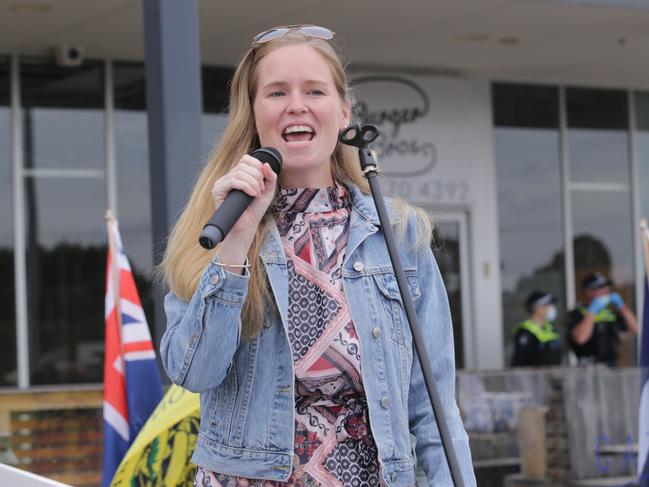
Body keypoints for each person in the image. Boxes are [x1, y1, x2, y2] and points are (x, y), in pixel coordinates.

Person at [159, 25, 476, 486]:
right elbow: (193, 372)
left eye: (314, 90)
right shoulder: (216, 225)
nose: (296, 105)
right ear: (253, 113)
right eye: (276, 92)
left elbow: (434, 408)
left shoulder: (399, 234)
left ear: (343, 110)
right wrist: (235, 247)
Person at [567, 272, 638, 366]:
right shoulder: (576, 313)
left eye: (606, 287)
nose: (605, 291)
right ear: (588, 291)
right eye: (600, 288)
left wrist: (622, 307)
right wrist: (592, 311)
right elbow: (580, 339)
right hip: (588, 369)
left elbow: (636, 329)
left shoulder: (610, 313)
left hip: (612, 366)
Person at [511, 291, 562, 367]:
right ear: (537, 308)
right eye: (547, 305)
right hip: (534, 378)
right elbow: (518, 363)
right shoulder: (525, 332)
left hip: (554, 376)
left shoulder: (551, 327)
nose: (551, 308)